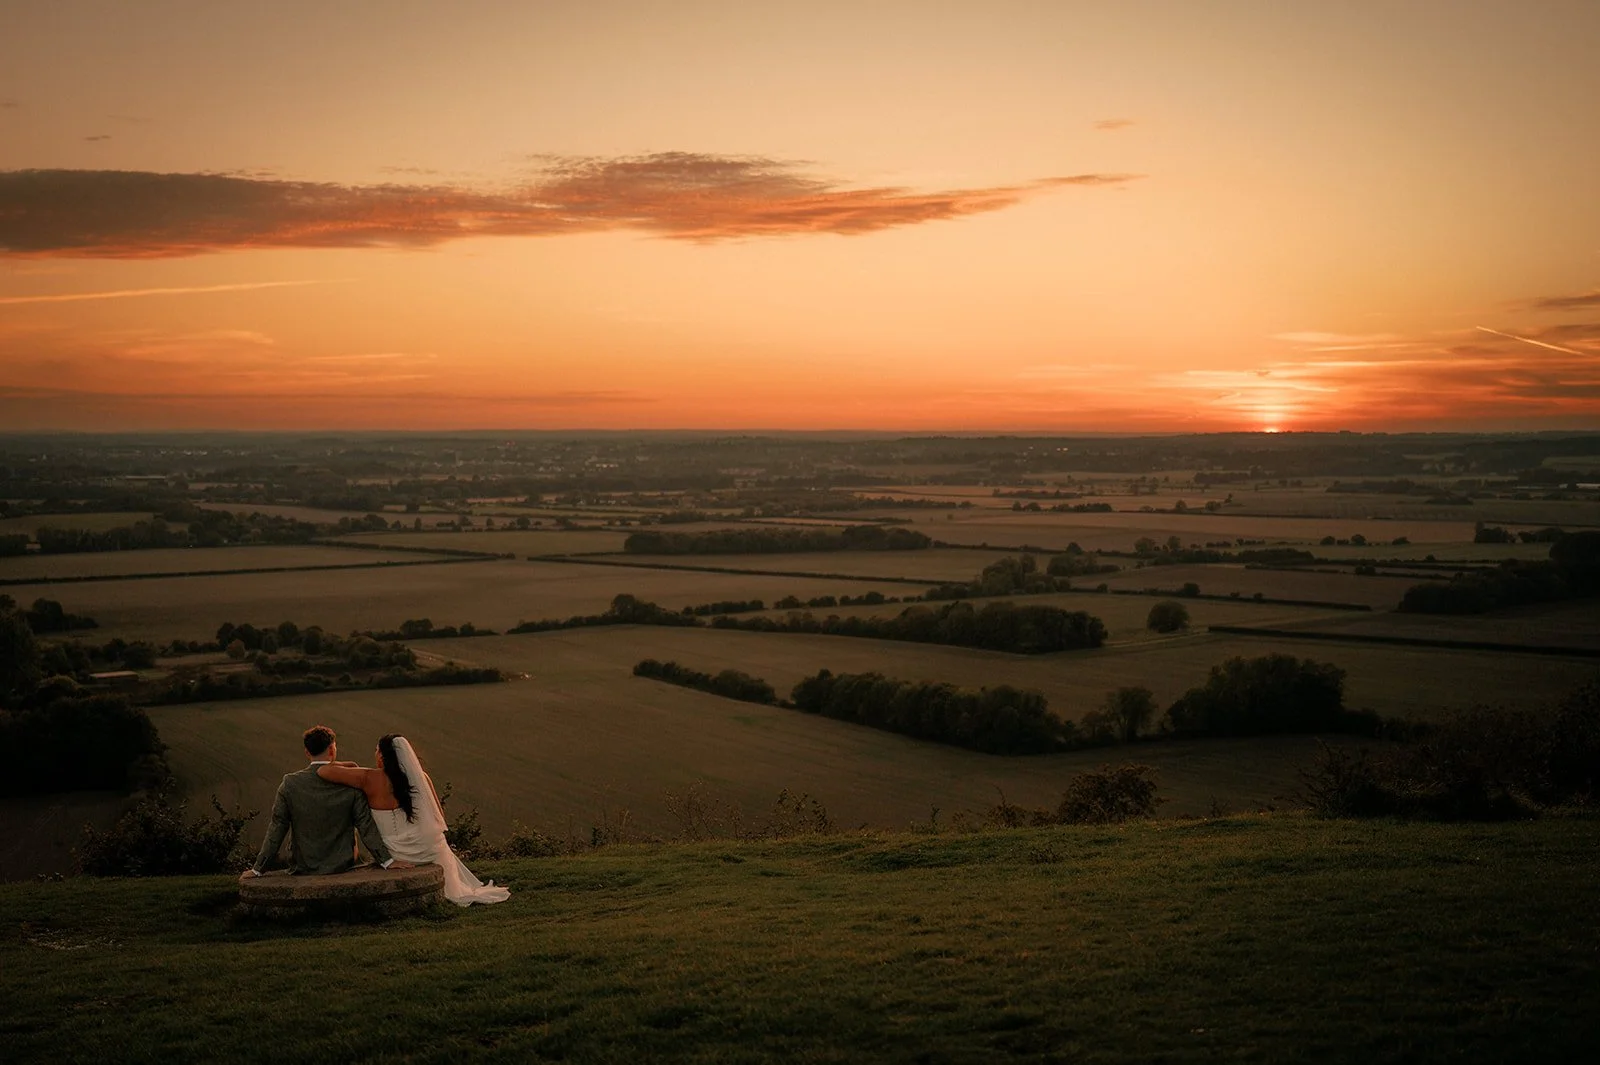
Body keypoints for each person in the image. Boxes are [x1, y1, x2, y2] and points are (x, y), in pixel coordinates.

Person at [315, 733, 510, 907]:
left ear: (382, 756)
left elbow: (323, 771)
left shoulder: (368, 777)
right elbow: (438, 817)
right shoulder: (421, 777)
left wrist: (350, 765)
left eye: (376, 751)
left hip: (396, 854)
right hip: (429, 851)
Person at [242, 725, 412, 879]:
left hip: (302, 866)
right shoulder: (349, 783)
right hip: (343, 865)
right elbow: (366, 826)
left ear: (307, 752)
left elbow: (277, 827)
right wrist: (387, 861)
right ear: (332, 749)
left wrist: (258, 869)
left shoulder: (290, 784)